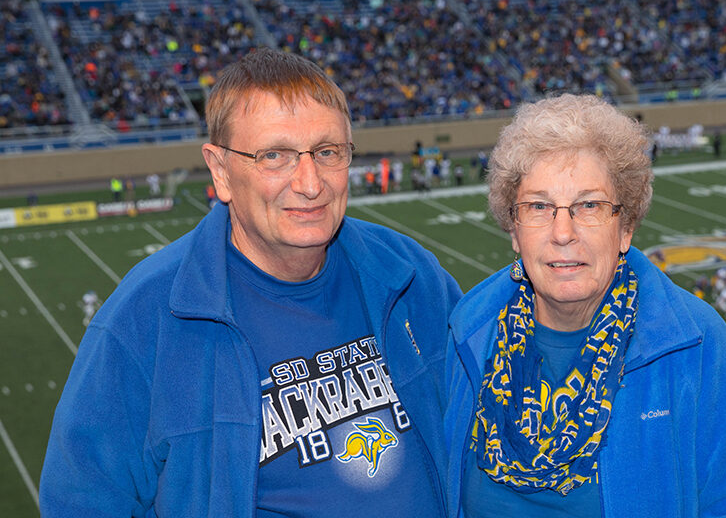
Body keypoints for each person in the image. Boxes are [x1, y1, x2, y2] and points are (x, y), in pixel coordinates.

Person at [41, 47, 462, 516]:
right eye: (275, 156)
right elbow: (82, 499)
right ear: (220, 172)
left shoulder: (410, 273)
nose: (309, 182)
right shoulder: (143, 320)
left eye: (327, 152)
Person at [444, 94, 726, 517]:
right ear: (514, 230)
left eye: (589, 205)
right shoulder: (472, 332)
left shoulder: (693, 342)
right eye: (538, 206)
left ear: (626, 227)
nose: (562, 231)